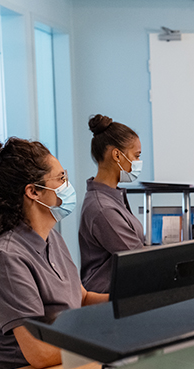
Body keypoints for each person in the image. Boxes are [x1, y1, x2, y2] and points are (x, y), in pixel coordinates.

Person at [0, 137, 108, 369]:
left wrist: (134, 301)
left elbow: (81, 298)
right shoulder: (5, 257)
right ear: (33, 192)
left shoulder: (51, 238)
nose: (68, 185)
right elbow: (40, 353)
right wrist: (110, 337)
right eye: (61, 178)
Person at [78, 115, 145, 293]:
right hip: (105, 300)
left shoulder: (112, 197)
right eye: (136, 156)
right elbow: (140, 259)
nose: (138, 163)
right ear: (117, 155)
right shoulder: (102, 208)